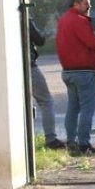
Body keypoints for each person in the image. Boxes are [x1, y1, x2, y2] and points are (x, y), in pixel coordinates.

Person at [56, 0, 95, 156]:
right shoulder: (79, 20)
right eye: (85, 2)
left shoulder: (63, 20)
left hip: (68, 71)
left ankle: (71, 140)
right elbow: (91, 43)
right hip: (84, 72)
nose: (89, 5)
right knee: (87, 108)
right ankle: (84, 143)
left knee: (73, 108)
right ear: (76, 4)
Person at [30, 18, 65, 150]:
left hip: (11, 69)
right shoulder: (24, 18)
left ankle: (25, 138)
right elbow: (39, 40)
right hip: (29, 66)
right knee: (46, 101)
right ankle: (50, 139)